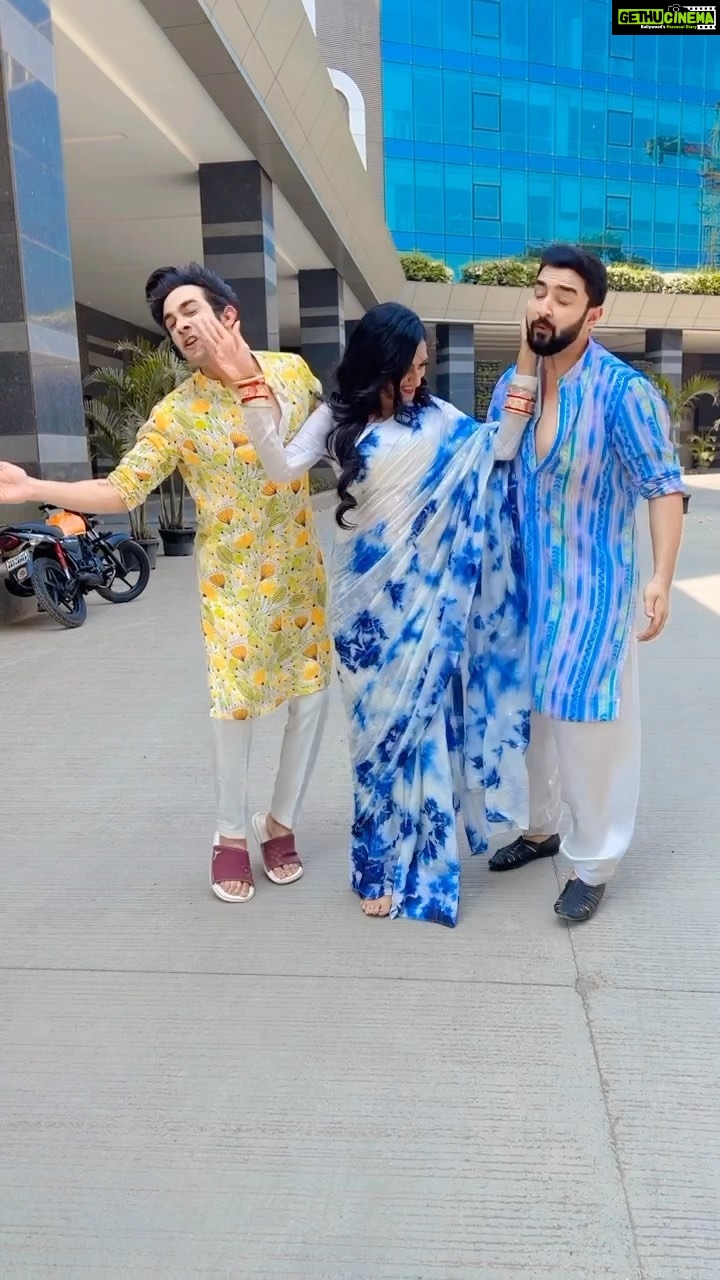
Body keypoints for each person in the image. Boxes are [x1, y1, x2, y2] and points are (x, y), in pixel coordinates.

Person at [0, 263, 332, 904]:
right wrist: (34, 486)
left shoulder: (291, 372)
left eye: (189, 310)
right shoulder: (177, 412)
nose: (179, 325)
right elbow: (121, 490)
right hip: (232, 582)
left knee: (311, 699)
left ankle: (280, 822)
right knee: (234, 705)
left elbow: (331, 433)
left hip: (299, 571)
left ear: (228, 314)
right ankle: (230, 834)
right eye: (170, 320)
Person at [230, 302, 538, 926]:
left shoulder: (439, 419)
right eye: (410, 368)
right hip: (362, 611)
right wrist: (251, 392)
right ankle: (377, 865)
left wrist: (528, 355)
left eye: (425, 366)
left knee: (423, 730)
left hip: (426, 602)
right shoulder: (336, 419)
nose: (420, 379)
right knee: (373, 741)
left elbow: (500, 444)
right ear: (381, 363)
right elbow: (280, 466)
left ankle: (426, 866)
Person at [485, 243, 685, 923]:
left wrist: (661, 577)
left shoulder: (624, 393)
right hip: (523, 591)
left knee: (587, 729)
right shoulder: (514, 384)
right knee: (532, 723)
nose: (544, 305)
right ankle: (540, 829)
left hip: (591, 591)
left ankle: (595, 860)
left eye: (563, 297)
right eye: (539, 291)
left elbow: (662, 487)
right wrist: (524, 362)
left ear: (593, 314)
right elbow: (498, 452)